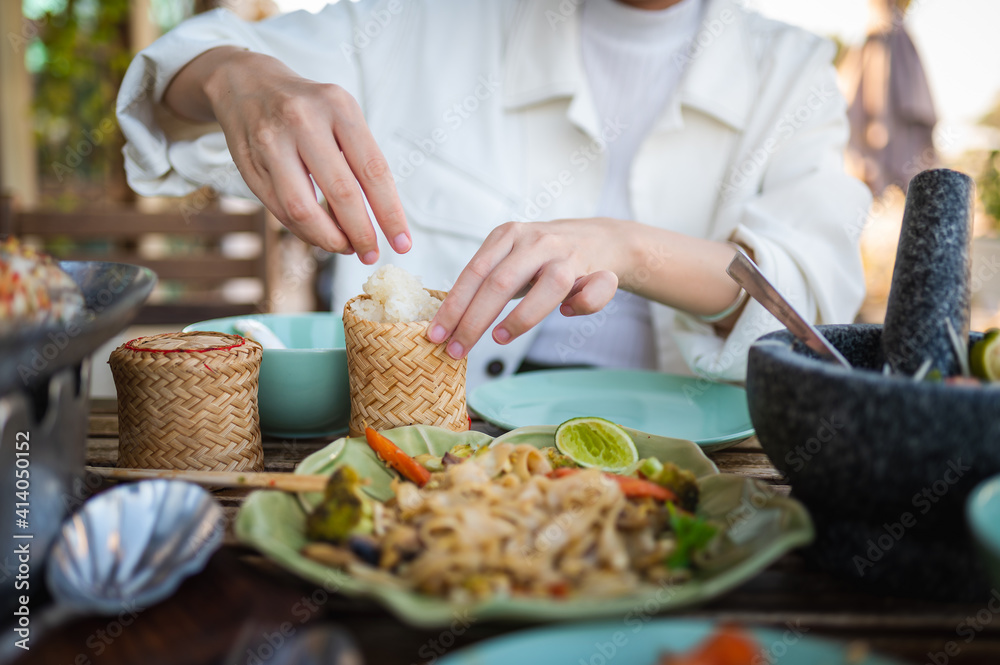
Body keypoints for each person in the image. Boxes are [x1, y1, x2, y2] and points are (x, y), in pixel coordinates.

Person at [116, 0, 870, 388]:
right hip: (442, 461)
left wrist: (623, 246)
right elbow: (175, 93)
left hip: (711, 474)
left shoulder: (791, 71)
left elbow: (812, 305)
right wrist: (230, 77)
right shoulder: (428, 23)